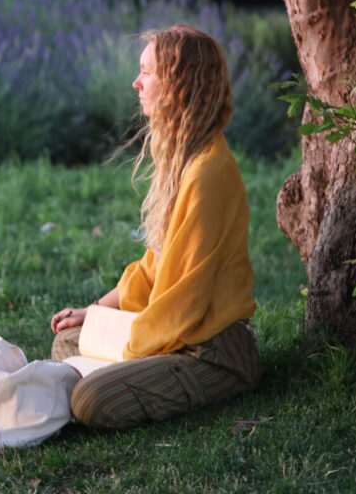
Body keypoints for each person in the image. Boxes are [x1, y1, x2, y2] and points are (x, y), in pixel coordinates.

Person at [50, 24, 261, 429]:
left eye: (147, 72)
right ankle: (125, 369)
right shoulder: (186, 160)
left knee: (90, 397)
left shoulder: (208, 173)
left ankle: (132, 378)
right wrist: (96, 312)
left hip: (211, 351)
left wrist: (124, 345)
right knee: (68, 340)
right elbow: (155, 266)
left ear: (179, 83)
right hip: (173, 333)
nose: (136, 82)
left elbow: (182, 302)